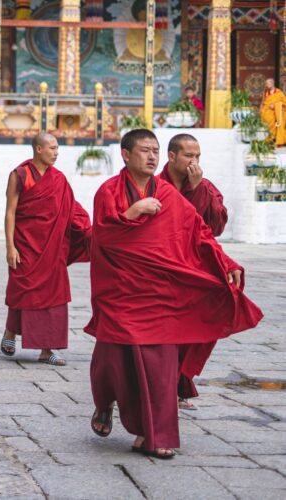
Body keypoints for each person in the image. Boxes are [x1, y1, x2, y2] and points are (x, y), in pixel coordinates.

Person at [87, 129, 263, 459]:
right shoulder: (108, 191)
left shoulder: (167, 193)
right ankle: (105, 402)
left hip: (160, 293)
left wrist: (226, 261)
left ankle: (152, 435)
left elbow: (198, 231)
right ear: (126, 155)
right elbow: (102, 236)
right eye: (145, 150)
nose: (152, 156)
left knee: (160, 363)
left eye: (155, 150)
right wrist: (133, 213)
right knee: (112, 360)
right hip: (121, 290)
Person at [0, 132, 92, 366]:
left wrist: (87, 229)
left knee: (53, 295)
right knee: (23, 289)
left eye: (57, 148)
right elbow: (10, 212)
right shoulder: (19, 175)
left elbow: (70, 207)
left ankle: (47, 349)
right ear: (39, 149)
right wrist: (10, 246)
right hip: (26, 244)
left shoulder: (58, 179)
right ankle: (11, 331)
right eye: (52, 148)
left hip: (52, 247)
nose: (56, 152)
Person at [159, 133, 229, 410]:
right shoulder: (154, 185)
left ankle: (180, 383)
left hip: (195, 267)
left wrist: (199, 189)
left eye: (197, 156)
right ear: (172, 156)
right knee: (163, 330)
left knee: (195, 327)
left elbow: (215, 227)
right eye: (189, 155)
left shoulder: (205, 187)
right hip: (162, 266)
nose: (194, 162)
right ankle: (161, 386)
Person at [260, 78, 286, 146]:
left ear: (272, 83)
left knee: (279, 125)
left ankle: (280, 141)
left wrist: (275, 105)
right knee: (268, 126)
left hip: (278, 113)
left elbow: (284, 102)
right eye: (266, 83)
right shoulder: (265, 93)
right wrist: (261, 110)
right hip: (268, 113)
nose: (266, 85)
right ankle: (270, 139)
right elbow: (263, 102)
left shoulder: (279, 93)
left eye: (267, 83)